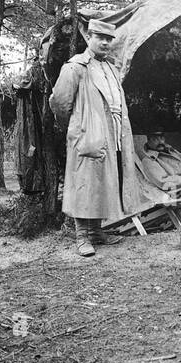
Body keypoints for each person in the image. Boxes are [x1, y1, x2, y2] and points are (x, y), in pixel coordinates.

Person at [50, 18, 140, 257]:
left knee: (102, 182)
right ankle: (81, 237)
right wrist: (76, 128)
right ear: (88, 38)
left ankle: (97, 233)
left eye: (109, 39)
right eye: (100, 38)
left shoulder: (110, 67)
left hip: (112, 133)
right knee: (84, 184)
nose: (105, 43)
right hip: (86, 133)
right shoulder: (76, 67)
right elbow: (60, 102)